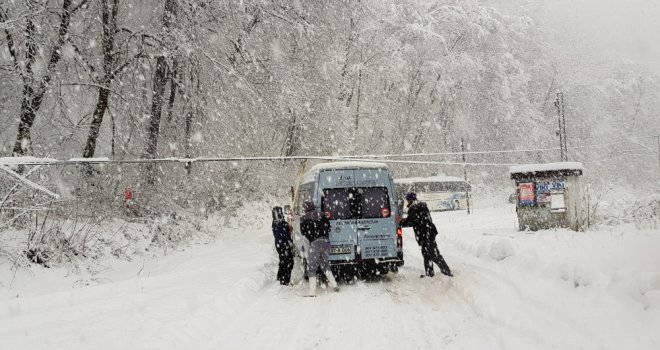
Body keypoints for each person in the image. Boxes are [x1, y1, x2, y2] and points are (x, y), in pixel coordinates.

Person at [400, 192, 453, 278]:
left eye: (407, 199)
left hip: (425, 233)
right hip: (428, 232)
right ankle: (430, 273)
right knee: (427, 254)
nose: (407, 201)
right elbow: (418, 219)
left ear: (409, 200)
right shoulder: (421, 206)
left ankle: (446, 272)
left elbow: (412, 221)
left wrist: (400, 222)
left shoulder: (414, 208)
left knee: (433, 254)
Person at [300, 201, 339, 296]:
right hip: (326, 243)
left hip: (315, 243)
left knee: (312, 267)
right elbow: (328, 227)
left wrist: (312, 234)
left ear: (305, 209)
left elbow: (303, 232)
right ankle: (334, 285)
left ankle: (312, 292)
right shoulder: (322, 215)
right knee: (325, 264)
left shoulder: (304, 218)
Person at [272, 206, 294, 285]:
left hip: (279, 245)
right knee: (288, 262)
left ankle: (280, 276)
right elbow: (284, 235)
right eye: (280, 212)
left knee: (283, 260)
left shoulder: (275, 222)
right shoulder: (280, 223)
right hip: (284, 245)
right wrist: (290, 242)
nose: (281, 213)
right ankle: (285, 280)